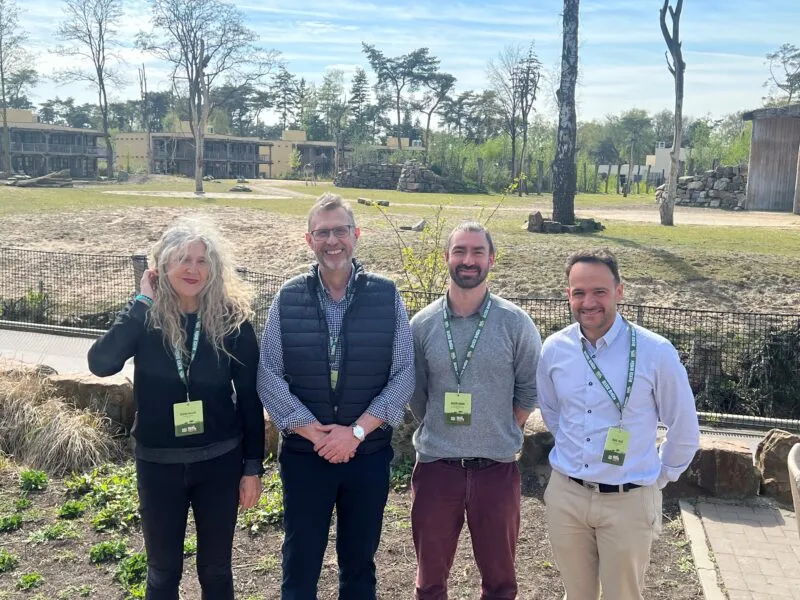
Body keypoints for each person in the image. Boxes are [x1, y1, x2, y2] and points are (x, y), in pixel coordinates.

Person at [88, 217, 264, 600]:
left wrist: (252, 468)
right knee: (162, 572)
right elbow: (101, 364)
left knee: (216, 571)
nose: (192, 269)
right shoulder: (145, 318)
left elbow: (250, 398)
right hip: (158, 465)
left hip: (219, 462)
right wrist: (141, 301)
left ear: (214, 268)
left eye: (202, 261)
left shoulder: (232, 321)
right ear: (162, 265)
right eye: (183, 259)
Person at [257, 193, 415, 600]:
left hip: (367, 455)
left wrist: (356, 433)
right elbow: (268, 373)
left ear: (356, 235)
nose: (333, 241)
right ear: (309, 240)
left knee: (359, 562)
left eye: (340, 231)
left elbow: (403, 375)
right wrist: (314, 434)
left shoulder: (386, 295)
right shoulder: (288, 297)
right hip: (306, 457)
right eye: (322, 232)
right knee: (300, 560)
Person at [537, 249, 700, 600]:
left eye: (599, 291)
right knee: (575, 595)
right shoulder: (554, 349)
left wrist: (657, 479)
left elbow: (684, 429)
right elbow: (553, 414)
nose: (588, 301)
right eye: (578, 292)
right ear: (568, 295)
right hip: (567, 496)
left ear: (619, 292)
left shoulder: (656, 352)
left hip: (628, 501)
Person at [409, 221, 542, 600]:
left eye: (477, 252)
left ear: (492, 260)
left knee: (501, 583)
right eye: (460, 251)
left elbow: (529, 387)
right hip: (437, 469)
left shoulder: (515, 323)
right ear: (446, 258)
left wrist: (500, 427)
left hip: (496, 471)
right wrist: (440, 427)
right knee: (430, 582)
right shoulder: (422, 325)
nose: (468, 260)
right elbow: (416, 393)